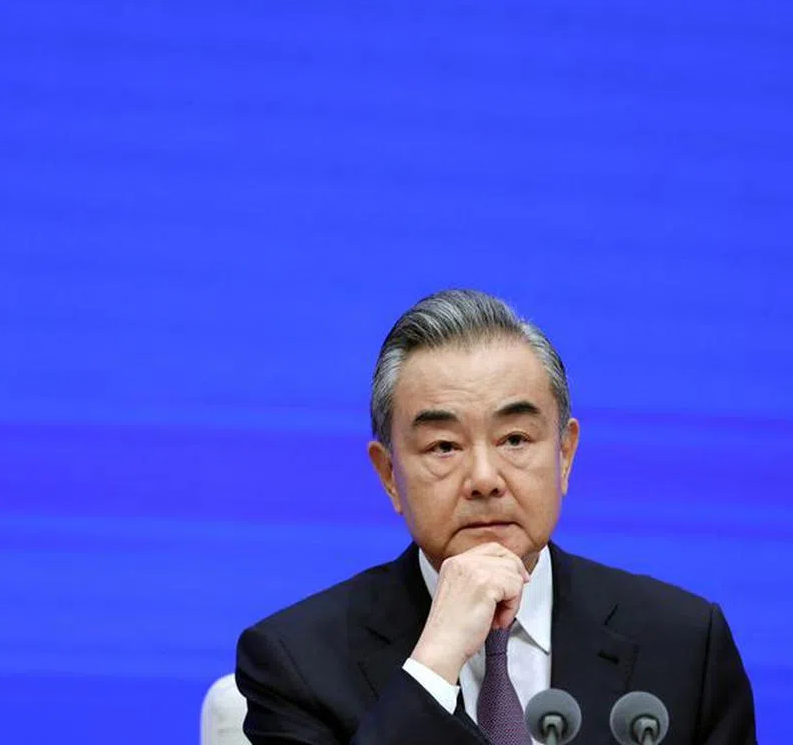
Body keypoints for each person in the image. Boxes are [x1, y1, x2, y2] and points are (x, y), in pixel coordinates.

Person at [235, 289, 756, 744]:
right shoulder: (296, 663)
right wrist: (433, 665)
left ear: (565, 455)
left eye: (514, 439)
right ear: (389, 474)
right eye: (443, 446)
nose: (484, 477)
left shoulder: (685, 644)